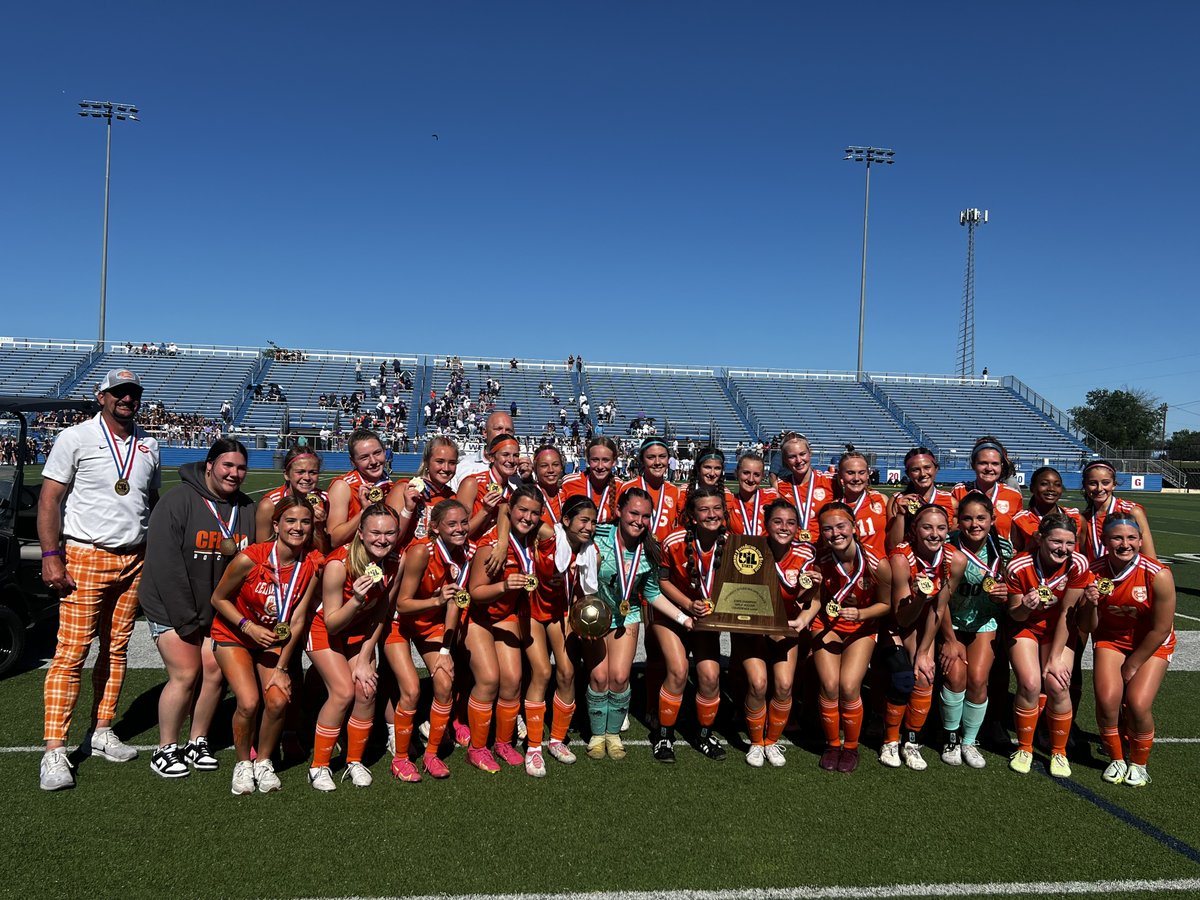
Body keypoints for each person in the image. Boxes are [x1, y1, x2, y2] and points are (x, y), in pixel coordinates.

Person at [38, 368, 161, 791]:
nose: (127, 399)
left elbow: (151, 503)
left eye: (133, 393)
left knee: (117, 649)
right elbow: (50, 499)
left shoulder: (149, 445)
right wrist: (52, 555)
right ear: (101, 396)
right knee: (71, 652)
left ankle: (102, 728)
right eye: (119, 393)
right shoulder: (74, 438)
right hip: (85, 555)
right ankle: (55, 750)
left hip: (134, 559)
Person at [140, 438, 256, 779]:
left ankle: (198, 740)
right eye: (227, 466)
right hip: (171, 604)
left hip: (216, 609)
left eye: (240, 467)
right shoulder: (178, 501)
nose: (234, 473)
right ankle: (165, 747)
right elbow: (165, 566)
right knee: (187, 673)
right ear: (209, 466)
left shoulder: (246, 508)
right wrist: (185, 620)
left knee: (215, 669)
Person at [209, 497, 321, 794]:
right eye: (291, 521)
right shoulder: (251, 557)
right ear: (276, 525)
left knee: (278, 698)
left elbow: (297, 620)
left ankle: (265, 762)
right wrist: (248, 626)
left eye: (305, 522)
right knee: (248, 702)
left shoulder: (311, 563)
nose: (298, 528)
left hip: (273, 640)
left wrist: (283, 667)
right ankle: (244, 763)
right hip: (234, 635)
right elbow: (218, 599)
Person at [306, 503, 399, 791]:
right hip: (325, 630)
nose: (382, 539)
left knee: (366, 687)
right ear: (360, 532)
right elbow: (332, 624)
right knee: (343, 692)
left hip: (360, 631)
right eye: (375, 533)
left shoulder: (396, 561)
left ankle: (354, 761)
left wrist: (365, 657)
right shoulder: (338, 565)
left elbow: (382, 610)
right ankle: (319, 766)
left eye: (390, 533)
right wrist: (357, 600)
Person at [1083, 515, 1175, 787]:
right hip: (1111, 640)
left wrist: (1132, 665)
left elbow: (1161, 629)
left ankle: (1139, 763)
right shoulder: (1094, 571)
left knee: (1137, 703)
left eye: (1131, 538)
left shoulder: (1158, 574)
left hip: (1151, 643)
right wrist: (1089, 604)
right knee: (1108, 699)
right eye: (1117, 538)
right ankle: (1116, 759)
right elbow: (1088, 626)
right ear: (1105, 541)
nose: (1125, 544)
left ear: (1140, 540)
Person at [462, 485, 545, 773]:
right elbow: (475, 592)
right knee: (489, 679)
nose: (528, 517)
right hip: (478, 617)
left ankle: (503, 742)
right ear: (510, 509)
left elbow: (555, 533)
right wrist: (504, 585)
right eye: (522, 510)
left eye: (535, 513)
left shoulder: (530, 538)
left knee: (513, 679)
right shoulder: (490, 545)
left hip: (506, 615)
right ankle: (477, 748)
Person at [1004, 513, 1092, 778]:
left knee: (1056, 682)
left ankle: (1059, 752)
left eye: (1069, 543)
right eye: (1056, 542)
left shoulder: (1078, 564)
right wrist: (1025, 607)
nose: (1062, 549)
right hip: (1026, 627)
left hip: (1059, 629)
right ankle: (1025, 748)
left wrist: (1054, 659)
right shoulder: (1019, 566)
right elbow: (1014, 615)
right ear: (1040, 539)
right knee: (1030, 683)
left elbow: (1068, 611)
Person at [810, 502, 891, 773]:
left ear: (854, 527)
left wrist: (862, 614)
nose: (835, 533)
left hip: (861, 628)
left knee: (848, 686)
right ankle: (833, 743)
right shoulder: (819, 561)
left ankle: (852, 746)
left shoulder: (877, 562)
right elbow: (814, 602)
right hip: (827, 624)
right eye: (827, 529)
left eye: (841, 526)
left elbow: (886, 605)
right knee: (830, 685)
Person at [881, 504, 962, 772]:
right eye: (927, 527)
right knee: (905, 676)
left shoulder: (956, 560)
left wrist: (925, 652)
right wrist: (919, 597)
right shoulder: (900, 559)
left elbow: (940, 608)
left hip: (927, 621)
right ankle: (890, 741)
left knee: (925, 671)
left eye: (941, 527)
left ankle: (911, 741)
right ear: (915, 530)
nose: (935, 534)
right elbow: (901, 618)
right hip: (894, 623)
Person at [655, 485, 730, 762]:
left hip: (705, 619)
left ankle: (704, 734)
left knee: (710, 676)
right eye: (704, 510)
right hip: (672, 614)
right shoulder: (673, 542)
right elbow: (661, 582)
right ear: (692, 516)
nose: (712, 514)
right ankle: (664, 736)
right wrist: (687, 606)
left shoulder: (733, 544)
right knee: (677, 670)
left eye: (716, 508)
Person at [939, 493, 1012, 768]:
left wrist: (1005, 595)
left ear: (992, 520)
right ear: (958, 521)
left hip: (984, 621)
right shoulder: (947, 547)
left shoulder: (1003, 549)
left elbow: (1012, 588)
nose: (974, 524)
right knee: (957, 678)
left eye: (981, 518)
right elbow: (940, 598)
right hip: (951, 621)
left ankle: (969, 740)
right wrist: (948, 639)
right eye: (967, 518)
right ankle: (950, 737)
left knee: (979, 680)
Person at [523, 493, 596, 772]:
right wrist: (504, 540)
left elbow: (580, 592)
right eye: (583, 520)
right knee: (542, 672)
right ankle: (533, 747)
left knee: (567, 672)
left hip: (559, 612)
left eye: (592, 522)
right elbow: (509, 509)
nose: (588, 527)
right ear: (565, 520)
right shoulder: (549, 534)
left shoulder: (591, 552)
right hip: (530, 610)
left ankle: (556, 739)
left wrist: (580, 621)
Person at [745, 498, 820, 767]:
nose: (784, 527)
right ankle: (755, 742)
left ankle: (772, 741)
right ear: (766, 525)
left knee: (785, 685)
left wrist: (802, 620)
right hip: (753, 626)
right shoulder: (750, 550)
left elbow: (814, 599)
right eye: (777, 521)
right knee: (758, 683)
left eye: (790, 523)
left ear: (798, 527)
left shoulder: (806, 553)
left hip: (786, 626)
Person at [388, 435, 459, 550]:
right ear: (427, 461)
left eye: (452, 463)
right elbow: (389, 539)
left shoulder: (452, 497)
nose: (446, 468)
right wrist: (408, 510)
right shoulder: (405, 488)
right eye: (440, 461)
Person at [326, 428, 395, 548]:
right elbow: (333, 540)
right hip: (349, 558)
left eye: (377, 453)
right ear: (353, 462)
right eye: (364, 457)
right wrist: (364, 511)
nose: (373, 461)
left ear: (385, 452)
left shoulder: (390, 486)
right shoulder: (343, 487)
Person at [1079, 459, 1156, 563]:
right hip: (1097, 577)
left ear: (1114, 484)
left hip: (1128, 576)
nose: (1099, 488)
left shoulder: (1131, 511)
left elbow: (1150, 559)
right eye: (1093, 483)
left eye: (1105, 483)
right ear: (1085, 485)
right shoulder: (1083, 518)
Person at [255, 447, 329, 552]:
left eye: (313, 472)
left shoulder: (325, 499)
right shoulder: (270, 504)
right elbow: (262, 551)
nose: (307, 477)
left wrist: (319, 528)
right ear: (286, 474)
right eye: (300, 472)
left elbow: (325, 552)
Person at [952, 437, 1024, 540]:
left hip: (1001, 555)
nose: (989, 468)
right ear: (973, 465)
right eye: (983, 463)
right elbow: (952, 528)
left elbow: (1018, 535)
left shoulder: (1013, 495)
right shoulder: (959, 491)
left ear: (1001, 466)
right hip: (967, 554)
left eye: (995, 463)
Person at [886, 447, 955, 551]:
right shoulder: (897, 500)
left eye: (927, 467)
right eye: (915, 470)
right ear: (908, 473)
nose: (923, 474)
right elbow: (892, 546)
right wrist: (900, 515)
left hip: (940, 563)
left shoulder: (950, 501)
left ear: (936, 469)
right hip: (907, 561)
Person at [775, 433, 834, 546]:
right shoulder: (780, 486)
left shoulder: (830, 481)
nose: (798, 460)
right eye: (792, 456)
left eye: (802, 454)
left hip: (824, 551)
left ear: (810, 453)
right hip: (793, 551)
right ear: (785, 460)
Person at [1010, 466, 1081, 555]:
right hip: (1035, 568)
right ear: (1032, 488)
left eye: (1057, 485)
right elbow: (1016, 558)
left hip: (1070, 568)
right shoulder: (1020, 520)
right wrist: (1031, 545)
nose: (1051, 488)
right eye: (1044, 484)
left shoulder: (1075, 517)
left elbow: (1083, 553)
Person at [834, 451, 889, 559]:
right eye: (850, 473)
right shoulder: (834, 508)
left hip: (880, 571)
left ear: (868, 474)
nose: (856, 478)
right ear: (840, 474)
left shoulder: (882, 500)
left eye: (861, 472)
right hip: (848, 572)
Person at [560, 436, 620, 524]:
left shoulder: (621, 487)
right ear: (588, 460)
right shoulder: (569, 483)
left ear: (614, 461)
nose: (600, 466)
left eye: (605, 460)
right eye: (595, 460)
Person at [729, 452, 777, 537]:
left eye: (756, 475)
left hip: (766, 550)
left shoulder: (772, 497)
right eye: (746, 473)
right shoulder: (729, 501)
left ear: (762, 477)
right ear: (736, 473)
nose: (751, 479)